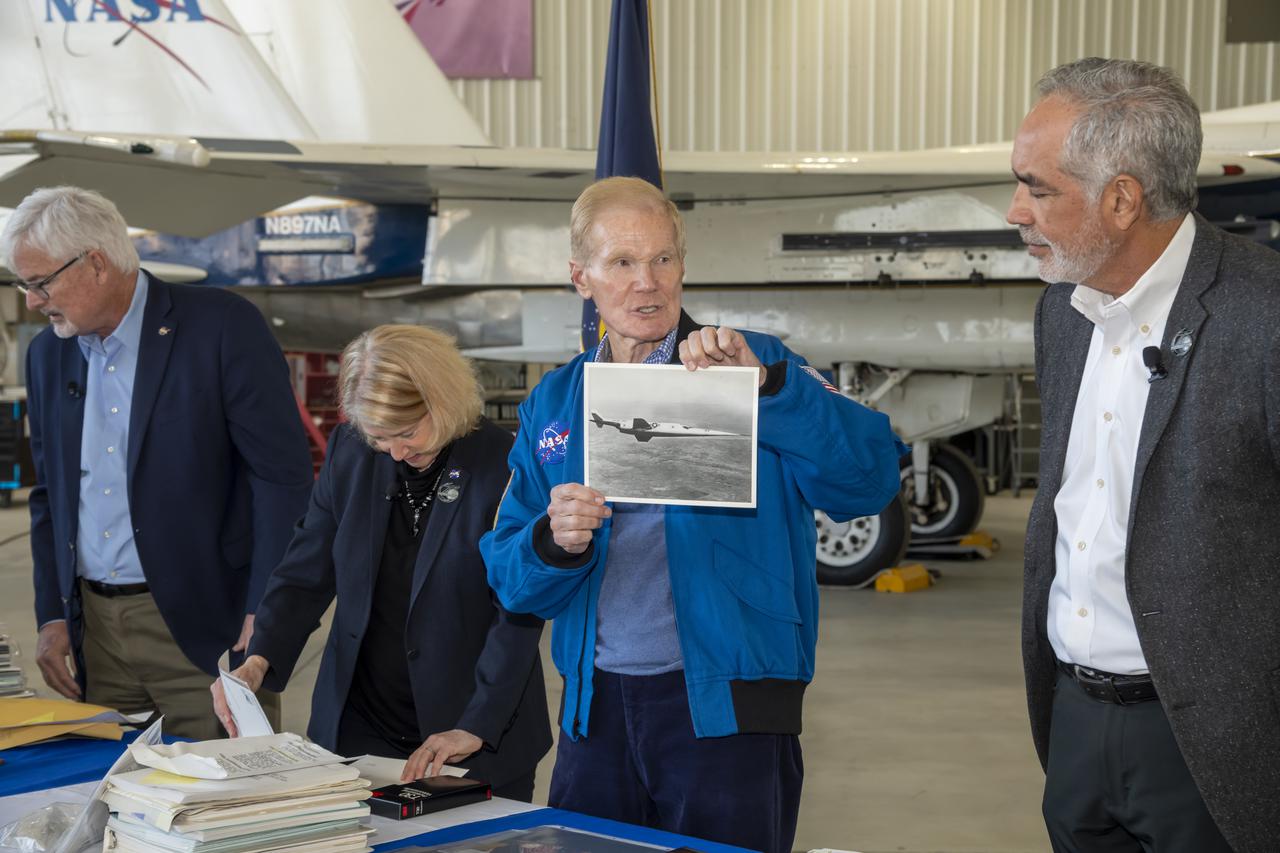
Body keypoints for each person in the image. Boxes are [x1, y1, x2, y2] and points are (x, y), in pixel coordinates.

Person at [480, 176, 905, 851]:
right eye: (621, 262)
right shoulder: (556, 402)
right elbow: (508, 573)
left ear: (683, 266)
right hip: (595, 712)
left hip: (729, 708)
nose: (646, 283)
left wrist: (770, 390)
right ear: (580, 278)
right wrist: (551, 540)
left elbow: (868, 480)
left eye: (662, 259)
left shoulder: (755, 363)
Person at [1010, 58, 1280, 853]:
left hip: (1214, 743)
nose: (1015, 209)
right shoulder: (1061, 310)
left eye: (1038, 187)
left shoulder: (1263, 316)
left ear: (1122, 199)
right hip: (1073, 724)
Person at [3, 185, 312, 740]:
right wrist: (52, 615)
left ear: (95, 264)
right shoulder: (49, 353)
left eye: (40, 282)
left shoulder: (221, 328)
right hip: (94, 635)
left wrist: (266, 609)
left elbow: (281, 479)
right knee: (112, 809)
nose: (31, 301)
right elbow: (50, 493)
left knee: (228, 804)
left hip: (205, 629)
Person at [212, 325, 551, 799]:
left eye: (408, 432)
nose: (395, 451)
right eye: (379, 437)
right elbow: (305, 570)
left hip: (472, 731)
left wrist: (478, 724)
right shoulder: (351, 453)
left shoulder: (505, 463)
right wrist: (257, 660)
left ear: (443, 399)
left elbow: (517, 612)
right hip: (359, 727)